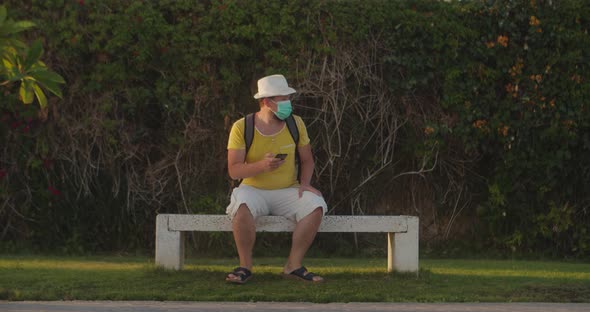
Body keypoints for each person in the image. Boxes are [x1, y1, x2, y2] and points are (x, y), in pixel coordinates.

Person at [225, 74, 327, 284]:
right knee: (241, 204)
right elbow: (234, 171)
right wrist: (261, 166)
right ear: (265, 102)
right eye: (281, 99)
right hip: (253, 189)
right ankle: (245, 266)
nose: (287, 104)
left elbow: (308, 160)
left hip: (288, 189)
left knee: (316, 205)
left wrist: (305, 184)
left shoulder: (296, 124)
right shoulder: (242, 127)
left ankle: (293, 265)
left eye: (288, 98)